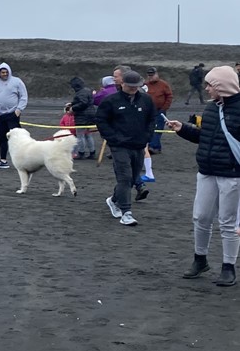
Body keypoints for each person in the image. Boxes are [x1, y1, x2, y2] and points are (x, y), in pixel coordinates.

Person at [166, 65, 240, 287]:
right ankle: (200, 259)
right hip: (206, 171)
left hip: (232, 174)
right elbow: (205, 138)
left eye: (210, 84)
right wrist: (183, 129)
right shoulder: (211, 109)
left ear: (222, 86)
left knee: (227, 222)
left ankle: (229, 267)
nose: (206, 88)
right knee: (200, 217)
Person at [96, 70, 156, 227]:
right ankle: (126, 212)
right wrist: (113, 138)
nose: (134, 89)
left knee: (132, 178)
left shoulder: (146, 100)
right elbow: (101, 121)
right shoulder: (110, 101)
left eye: (136, 86)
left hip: (139, 145)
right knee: (124, 177)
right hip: (119, 146)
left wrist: (147, 136)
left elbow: (151, 119)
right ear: (122, 84)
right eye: (130, 86)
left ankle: (114, 200)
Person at [0, 62, 28, 169]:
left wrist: (19, 109)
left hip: (13, 115)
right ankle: (3, 161)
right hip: (0, 115)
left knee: (18, 138)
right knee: (2, 138)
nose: (5, 74)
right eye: (3, 72)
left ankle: (25, 161)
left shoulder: (16, 82)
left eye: (6, 72)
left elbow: (23, 96)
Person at [67, 76, 97, 159]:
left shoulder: (80, 93)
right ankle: (92, 152)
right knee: (88, 135)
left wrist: (73, 108)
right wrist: (72, 103)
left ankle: (81, 153)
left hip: (82, 117)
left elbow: (83, 103)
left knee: (80, 135)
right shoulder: (87, 91)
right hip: (91, 115)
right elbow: (83, 101)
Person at [144, 67, 173, 154]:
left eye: (152, 75)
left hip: (160, 110)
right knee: (150, 128)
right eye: (149, 75)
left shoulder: (163, 84)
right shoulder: (145, 85)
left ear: (157, 74)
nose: (150, 77)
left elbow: (169, 96)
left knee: (158, 128)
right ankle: (155, 147)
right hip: (148, 111)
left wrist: (164, 108)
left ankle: (154, 146)